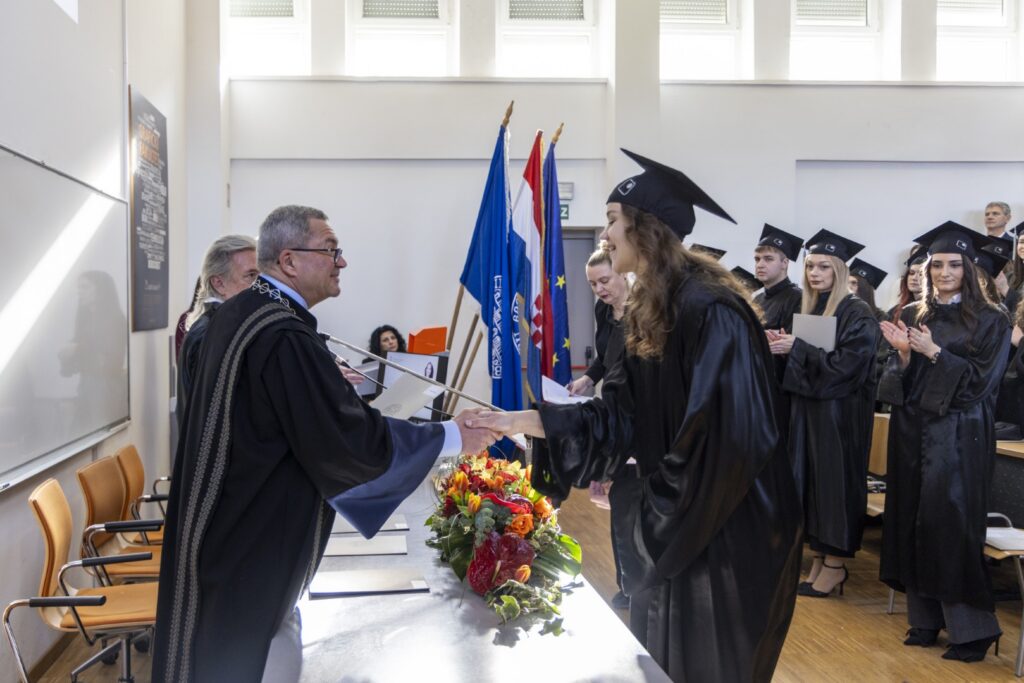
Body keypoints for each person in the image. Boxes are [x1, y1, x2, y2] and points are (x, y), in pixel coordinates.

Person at [471, 150, 802, 682]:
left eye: (611, 221)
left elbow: (731, 442)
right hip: (682, 524)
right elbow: (621, 414)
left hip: (729, 528)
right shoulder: (656, 307)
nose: (605, 236)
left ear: (645, 229)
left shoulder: (711, 309)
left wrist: (654, 509)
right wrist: (523, 421)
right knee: (664, 662)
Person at [153, 205, 499, 683]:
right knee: (240, 659)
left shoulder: (243, 316)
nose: (342, 261)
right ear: (289, 260)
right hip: (249, 538)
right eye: (331, 250)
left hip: (225, 522)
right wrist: (454, 435)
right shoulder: (279, 333)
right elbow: (346, 440)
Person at [879, 221, 1010, 664]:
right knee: (912, 519)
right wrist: (903, 355)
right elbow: (898, 384)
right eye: (937, 265)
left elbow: (980, 386)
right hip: (913, 429)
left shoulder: (992, 319)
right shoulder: (916, 314)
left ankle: (973, 631)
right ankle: (925, 620)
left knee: (949, 526)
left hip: (959, 434)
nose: (944, 272)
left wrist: (935, 352)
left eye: (954, 264)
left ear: (969, 269)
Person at [767, 229, 880, 599]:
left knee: (833, 487)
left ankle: (835, 564)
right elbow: (805, 365)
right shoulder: (812, 308)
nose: (814, 273)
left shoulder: (857, 312)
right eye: (811, 266)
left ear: (840, 270)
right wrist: (782, 348)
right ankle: (819, 557)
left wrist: (797, 348)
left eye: (824, 267)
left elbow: (848, 367)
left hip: (840, 416)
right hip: (809, 413)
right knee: (811, 486)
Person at [175, 235, 259, 424]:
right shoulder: (213, 333)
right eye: (251, 276)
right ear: (219, 284)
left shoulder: (223, 326)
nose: (262, 286)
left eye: (262, 276)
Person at [567, 245, 629, 397]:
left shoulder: (645, 311)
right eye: (593, 284)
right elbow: (606, 355)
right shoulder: (602, 308)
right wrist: (586, 380)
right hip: (612, 399)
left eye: (604, 281)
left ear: (623, 273)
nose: (599, 289)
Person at [753, 223, 803, 332]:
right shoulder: (757, 299)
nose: (760, 265)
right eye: (757, 259)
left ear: (784, 263)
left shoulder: (798, 298)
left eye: (768, 259)